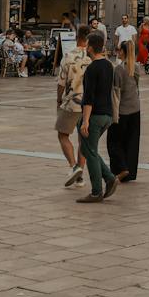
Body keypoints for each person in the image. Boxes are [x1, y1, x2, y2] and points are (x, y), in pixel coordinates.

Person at [76, 31, 118, 203]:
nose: (85, 48)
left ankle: (96, 191)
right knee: (88, 149)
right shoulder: (109, 65)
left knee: (90, 151)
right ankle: (109, 178)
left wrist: (85, 120)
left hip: (95, 115)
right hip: (107, 115)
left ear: (91, 48)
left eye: (87, 46)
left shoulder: (92, 68)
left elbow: (89, 97)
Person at [55, 26, 91, 190]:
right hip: (88, 104)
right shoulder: (92, 57)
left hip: (71, 102)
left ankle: (73, 166)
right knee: (83, 139)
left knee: (63, 135)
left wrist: (58, 99)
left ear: (77, 37)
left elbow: (61, 82)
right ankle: (80, 176)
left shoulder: (69, 56)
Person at [108, 39, 144, 183]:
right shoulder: (135, 67)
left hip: (122, 110)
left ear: (122, 51)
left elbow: (116, 92)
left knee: (114, 141)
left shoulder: (119, 69)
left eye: (118, 50)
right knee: (132, 141)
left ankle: (121, 168)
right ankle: (130, 171)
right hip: (135, 108)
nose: (117, 52)